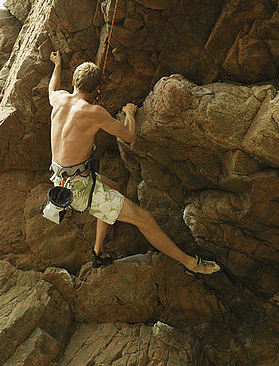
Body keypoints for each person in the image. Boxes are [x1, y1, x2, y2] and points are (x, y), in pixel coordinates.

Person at [48, 50, 220, 275]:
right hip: (81, 190)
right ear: (97, 89)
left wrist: (57, 64)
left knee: (114, 188)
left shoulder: (59, 98)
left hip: (60, 179)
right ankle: (191, 264)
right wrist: (130, 113)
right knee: (145, 219)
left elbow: (51, 88)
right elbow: (129, 136)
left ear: (73, 82)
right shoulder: (94, 112)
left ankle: (98, 253)